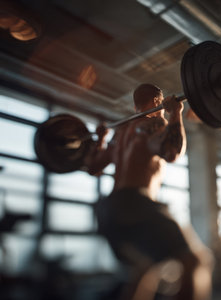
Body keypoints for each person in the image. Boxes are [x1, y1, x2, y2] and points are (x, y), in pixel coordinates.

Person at [84, 83, 211, 300]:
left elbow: (93, 167)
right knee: (196, 261)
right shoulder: (152, 124)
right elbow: (172, 151)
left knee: (144, 269)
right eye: (161, 103)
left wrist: (101, 140)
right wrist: (176, 113)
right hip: (135, 202)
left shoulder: (120, 134)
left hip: (107, 210)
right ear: (155, 102)